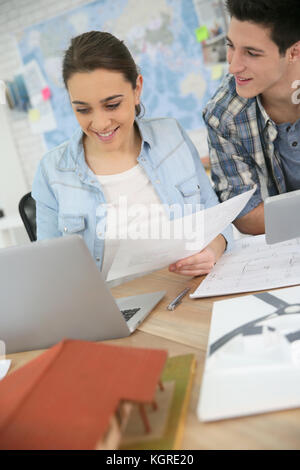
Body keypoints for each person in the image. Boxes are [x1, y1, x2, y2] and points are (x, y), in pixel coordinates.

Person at [32, 31, 232, 284]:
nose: (101, 123)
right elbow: (50, 273)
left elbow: (215, 218)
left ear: (136, 89)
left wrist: (212, 250)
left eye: (112, 104)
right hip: (112, 312)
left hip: (188, 295)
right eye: (82, 109)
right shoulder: (53, 171)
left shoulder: (171, 136)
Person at [203, 0, 300, 235]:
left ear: (293, 52)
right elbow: (245, 215)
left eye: (251, 53)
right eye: (231, 46)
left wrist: (282, 216)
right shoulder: (223, 114)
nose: (233, 66)